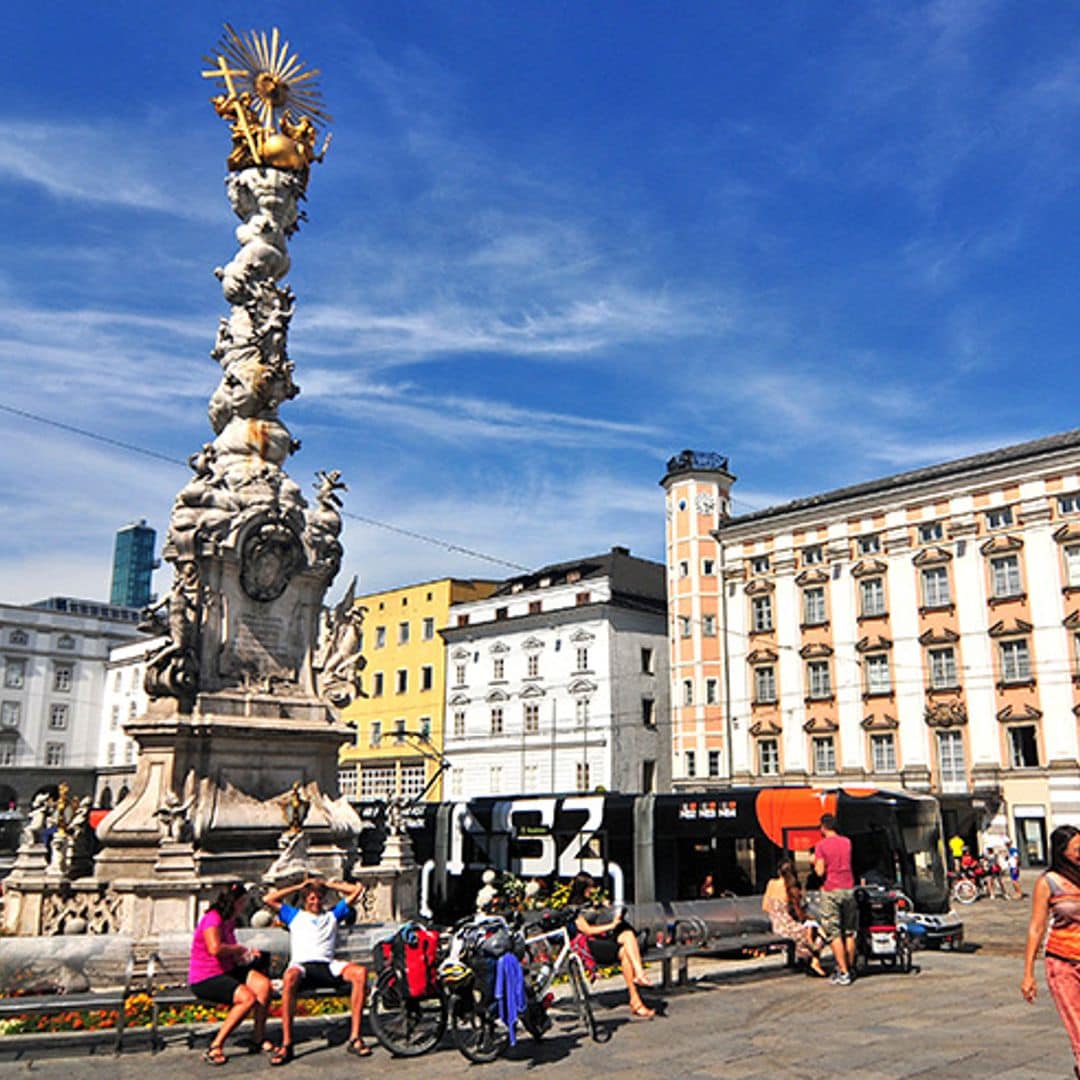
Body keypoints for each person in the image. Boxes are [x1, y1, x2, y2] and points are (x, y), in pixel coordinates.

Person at [263, 876, 369, 1066]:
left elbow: (357, 889)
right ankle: (287, 1042)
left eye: (319, 898)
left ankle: (355, 1037)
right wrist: (298, 886)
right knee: (289, 976)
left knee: (360, 973)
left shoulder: (332, 915)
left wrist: (327, 884)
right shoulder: (294, 915)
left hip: (326, 965)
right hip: (303, 966)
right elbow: (269, 899)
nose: (316, 901)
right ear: (305, 900)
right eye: (312, 898)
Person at [188, 882, 273, 1066]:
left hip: (227, 970)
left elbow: (232, 953)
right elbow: (215, 948)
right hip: (206, 976)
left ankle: (258, 1038)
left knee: (264, 986)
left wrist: (248, 955)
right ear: (235, 902)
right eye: (242, 902)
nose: (243, 906)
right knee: (247, 998)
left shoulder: (230, 920)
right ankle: (215, 1046)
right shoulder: (213, 918)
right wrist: (239, 949)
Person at [1022, 825, 1080, 1077]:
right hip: (1063, 963)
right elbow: (1036, 928)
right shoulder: (1048, 883)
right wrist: (1028, 974)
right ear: (1062, 851)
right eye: (1077, 849)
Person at [567, 872, 655, 1018]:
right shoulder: (573, 908)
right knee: (626, 947)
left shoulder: (590, 903)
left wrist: (605, 908)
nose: (592, 890)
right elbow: (587, 930)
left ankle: (637, 996)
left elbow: (597, 916)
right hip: (590, 945)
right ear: (582, 888)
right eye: (589, 888)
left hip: (602, 939)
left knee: (627, 937)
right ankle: (637, 992)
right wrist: (611, 925)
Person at [813, 813, 856, 986]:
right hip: (848, 888)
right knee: (850, 931)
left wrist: (814, 861)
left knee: (834, 933)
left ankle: (843, 971)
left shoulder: (821, 845)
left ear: (823, 827)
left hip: (831, 889)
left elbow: (820, 872)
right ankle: (850, 967)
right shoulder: (847, 842)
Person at [762, 861, 826, 977]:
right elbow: (800, 913)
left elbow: (765, 907)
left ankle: (806, 959)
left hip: (777, 926)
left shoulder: (771, 884)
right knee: (820, 933)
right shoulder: (791, 887)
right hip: (789, 927)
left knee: (808, 932)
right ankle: (814, 961)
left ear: (778, 871)